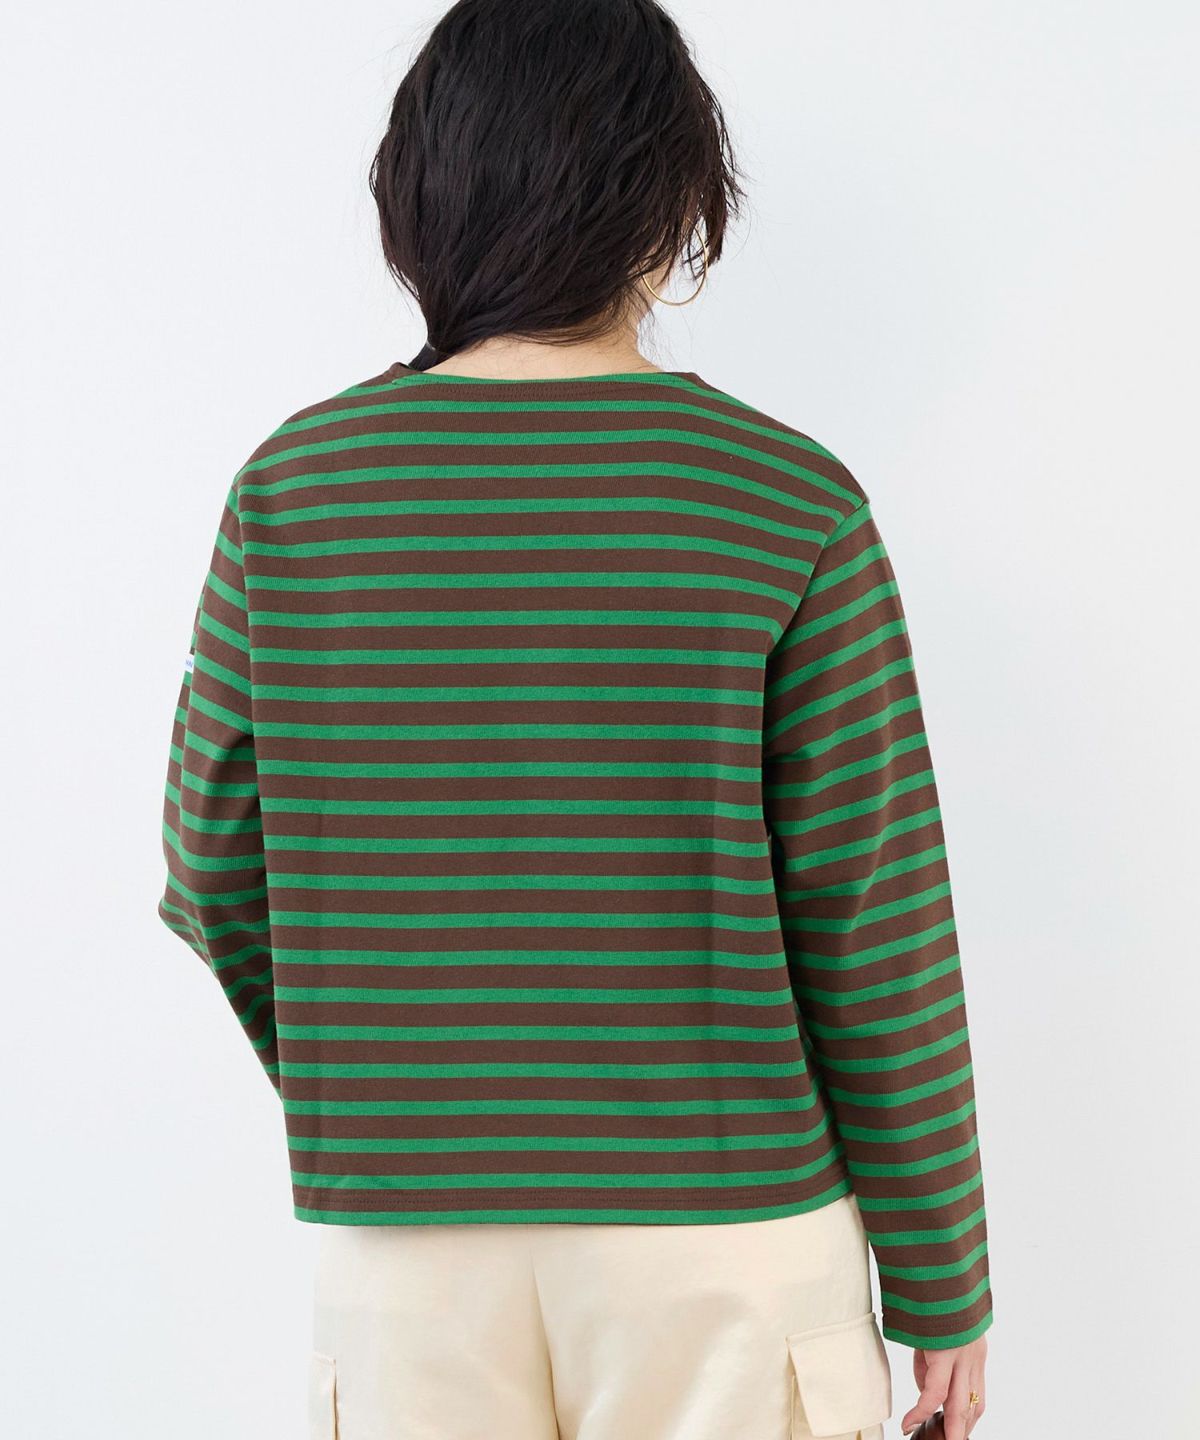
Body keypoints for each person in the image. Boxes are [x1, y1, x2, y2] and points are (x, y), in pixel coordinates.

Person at [156, 1, 993, 1436]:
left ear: (420, 196)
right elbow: (872, 919)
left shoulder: (296, 492)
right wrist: (943, 1280)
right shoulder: (783, 500)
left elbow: (211, 865)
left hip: (408, 1252)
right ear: (670, 205)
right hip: (729, 1244)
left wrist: (394, 1075)